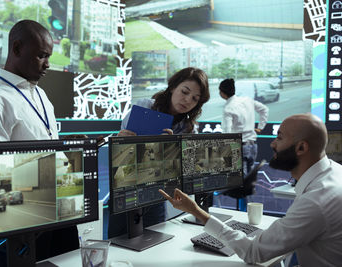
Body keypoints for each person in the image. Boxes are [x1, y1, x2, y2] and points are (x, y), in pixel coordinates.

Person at [160, 113, 342, 266]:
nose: (272, 144)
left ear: (301, 147)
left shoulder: (315, 201)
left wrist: (196, 211)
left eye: (279, 137)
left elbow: (254, 253)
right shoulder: (334, 172)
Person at [0, 20, 78, 266]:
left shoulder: (39, 93)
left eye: (49, 56)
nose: (48, 64)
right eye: (41, 56)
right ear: (17, 49)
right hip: (22, 222)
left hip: (57, 211)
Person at [108, 67, 210, 238]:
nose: (187, 100)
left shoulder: (187, 128)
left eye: (195, 99)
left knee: (155, 242)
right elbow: (120, 158)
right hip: (127, 187)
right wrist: (120, 141)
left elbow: (186, 171)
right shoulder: (145, 107)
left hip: (158, 193)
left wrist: (170, 151)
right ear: (172, 87)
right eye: (184, 92)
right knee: (118, 243)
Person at [219, 78, 269, 210]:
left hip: (240, 148)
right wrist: (261, 126)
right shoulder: (247, 100)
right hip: (253, 146)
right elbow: (264, 109)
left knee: (242, 187)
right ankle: (248, 212)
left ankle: (244, 214)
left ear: (222, 93)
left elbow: (227, 134)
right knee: (248, 184)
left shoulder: (228, 108)